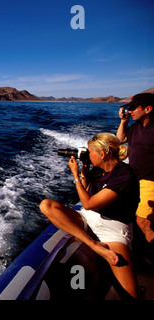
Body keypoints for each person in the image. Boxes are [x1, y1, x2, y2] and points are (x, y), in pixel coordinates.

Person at [40, 133, 140, 299]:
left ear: (103, 154)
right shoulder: (98, 171)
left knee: (130, 294)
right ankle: (93, 244)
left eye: (91, 152)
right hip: (91, 217)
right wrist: (84, 169)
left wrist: (75, 176)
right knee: (47, 205)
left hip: (113, 228)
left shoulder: (124, 176)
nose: (88, 155)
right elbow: (86, 193)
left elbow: (88, 203)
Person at [117, 93, 154, 244]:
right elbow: (120, 140)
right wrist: (123, 122)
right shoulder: (134, 127)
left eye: (133, 108)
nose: (130, 111)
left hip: (150, 181)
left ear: (148, 109)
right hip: (134, 179)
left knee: (143, 221)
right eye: (129, 108)